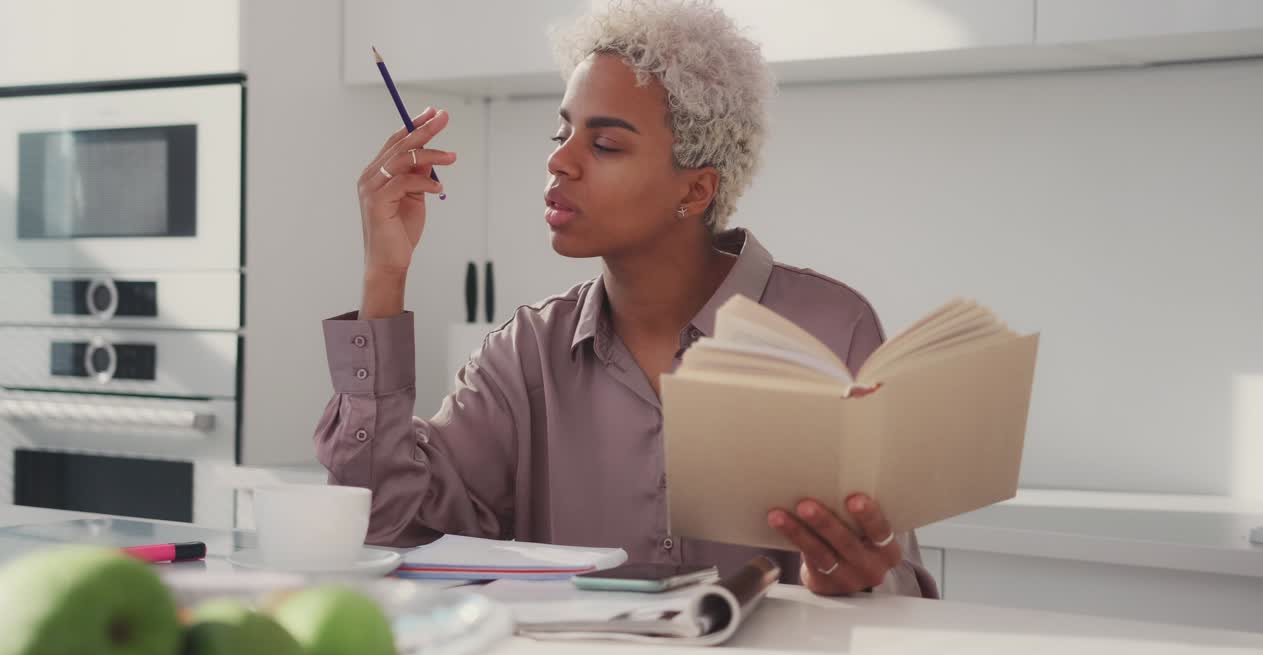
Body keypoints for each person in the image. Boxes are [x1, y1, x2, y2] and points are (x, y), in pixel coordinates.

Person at [317, 0, 938, 598]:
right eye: (562, 132)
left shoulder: (830, 328)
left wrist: (854, 582)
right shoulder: (526, 355)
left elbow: (897, 581)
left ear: (695, 190)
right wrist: (384, 276)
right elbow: (385, 529)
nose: (560, 160)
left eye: (605, 144)